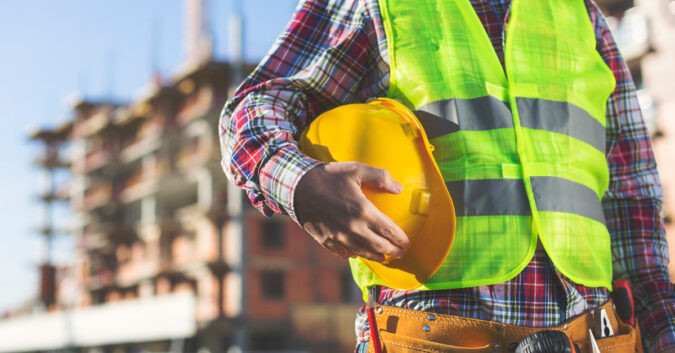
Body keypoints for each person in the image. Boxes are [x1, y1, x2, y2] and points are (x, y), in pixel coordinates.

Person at [219, 0, 675, 351]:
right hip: (431, 336)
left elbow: (631, 196)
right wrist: (302, 184)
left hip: (595, 336)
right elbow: (250, 112)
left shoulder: (581, 15)